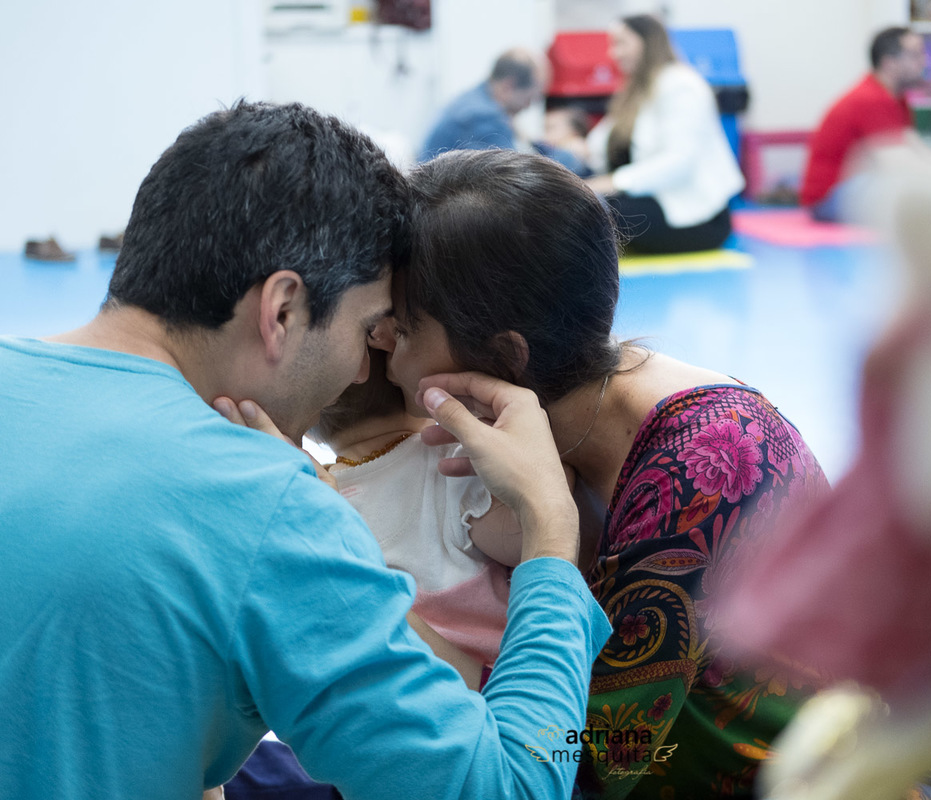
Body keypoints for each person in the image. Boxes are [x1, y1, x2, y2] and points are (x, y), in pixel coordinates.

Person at [0, 101, 609, 800]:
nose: (362, 371)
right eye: (370, 326)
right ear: (283, 309)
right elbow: (512, 788)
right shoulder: (268, 506)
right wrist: (550, 539)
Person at [387, 147, 829, 798]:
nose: (382, 354)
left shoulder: (705, 467)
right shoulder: (577, 419)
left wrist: (377, 615)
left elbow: (579, 758)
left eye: (400, 331)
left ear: (506, 355)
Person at [310, 350, 523, 686]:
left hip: (409, 703)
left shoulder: (321, 499)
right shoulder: (451, 461)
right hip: (505, 685)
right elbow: (528, 537)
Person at [584, 14, 744, 254]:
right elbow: (600, 142)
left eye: (621, 43)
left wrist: (613, 183)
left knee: (592, 210)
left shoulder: (681, 85)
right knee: (578, 198)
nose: (613, 54)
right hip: (654, 201)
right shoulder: (636, 91)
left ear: (647, 42)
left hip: (695, 216)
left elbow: (679, 161)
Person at [800, 26, 927, 223]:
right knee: (909, 189)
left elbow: (915, 147)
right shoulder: (872, 98)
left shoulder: (897, 99)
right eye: (915, 55)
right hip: (828, 199)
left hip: (852, 187)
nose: (924, 62)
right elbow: (899, 164)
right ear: (889, 62)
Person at [418, 48, 587, 175]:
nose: (527, 107)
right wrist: (570, 157)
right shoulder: (485, 117)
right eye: (529, 99)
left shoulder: (475, 99)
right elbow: (517, 177)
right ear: (508, 86)